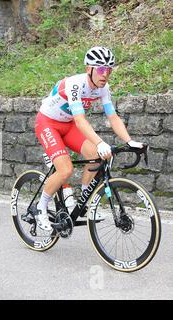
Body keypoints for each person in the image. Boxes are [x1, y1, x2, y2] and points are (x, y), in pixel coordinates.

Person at [34, 46, 144, 231]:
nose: (105, 74)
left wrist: (130, 141)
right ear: (89, 69)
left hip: (67, 125)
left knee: (95, 154)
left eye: (109, 70)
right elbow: (80, 119)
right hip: (47, 123)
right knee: (66, 170)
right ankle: (40, 208)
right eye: (101, 69)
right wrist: (100, 142)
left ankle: (84, 202)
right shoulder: (75, 84)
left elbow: (113, 117)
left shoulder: (103, 88)